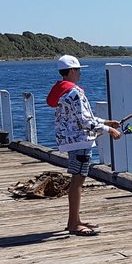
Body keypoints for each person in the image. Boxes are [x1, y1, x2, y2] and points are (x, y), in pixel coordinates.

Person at [46, 54, 121, 236]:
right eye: (78, 70)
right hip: (79, 142)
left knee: (77, 179)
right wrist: (108, 130)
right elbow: (85, 122)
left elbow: (79, 118)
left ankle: (75, 220)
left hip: (70, 140)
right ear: (71, 71)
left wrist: (106, 121)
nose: (79, 73)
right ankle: (73, 224)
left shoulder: (63, 91)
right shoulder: (75, 93)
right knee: (78, 180)